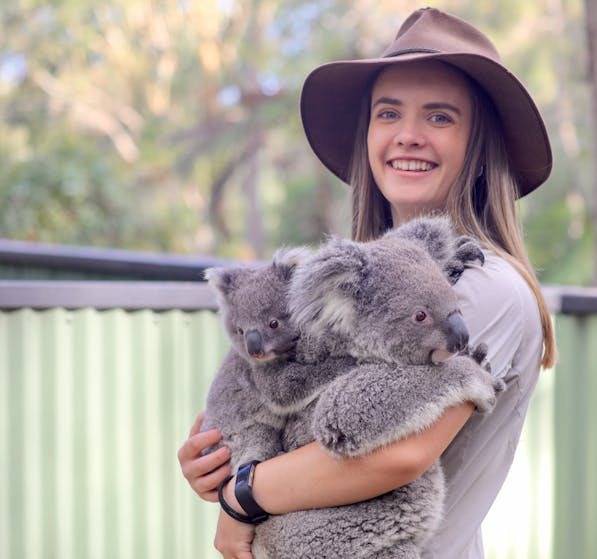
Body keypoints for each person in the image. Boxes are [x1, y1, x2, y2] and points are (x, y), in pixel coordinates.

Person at [177, 7, 557, 558]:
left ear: (480, 152)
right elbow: (287, 408)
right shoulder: (353, 289)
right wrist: (223, 458)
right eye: (388, 114)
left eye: (440, 117)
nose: (408, 136)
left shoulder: (482, 286)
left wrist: (244, 496)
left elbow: (394, 455)